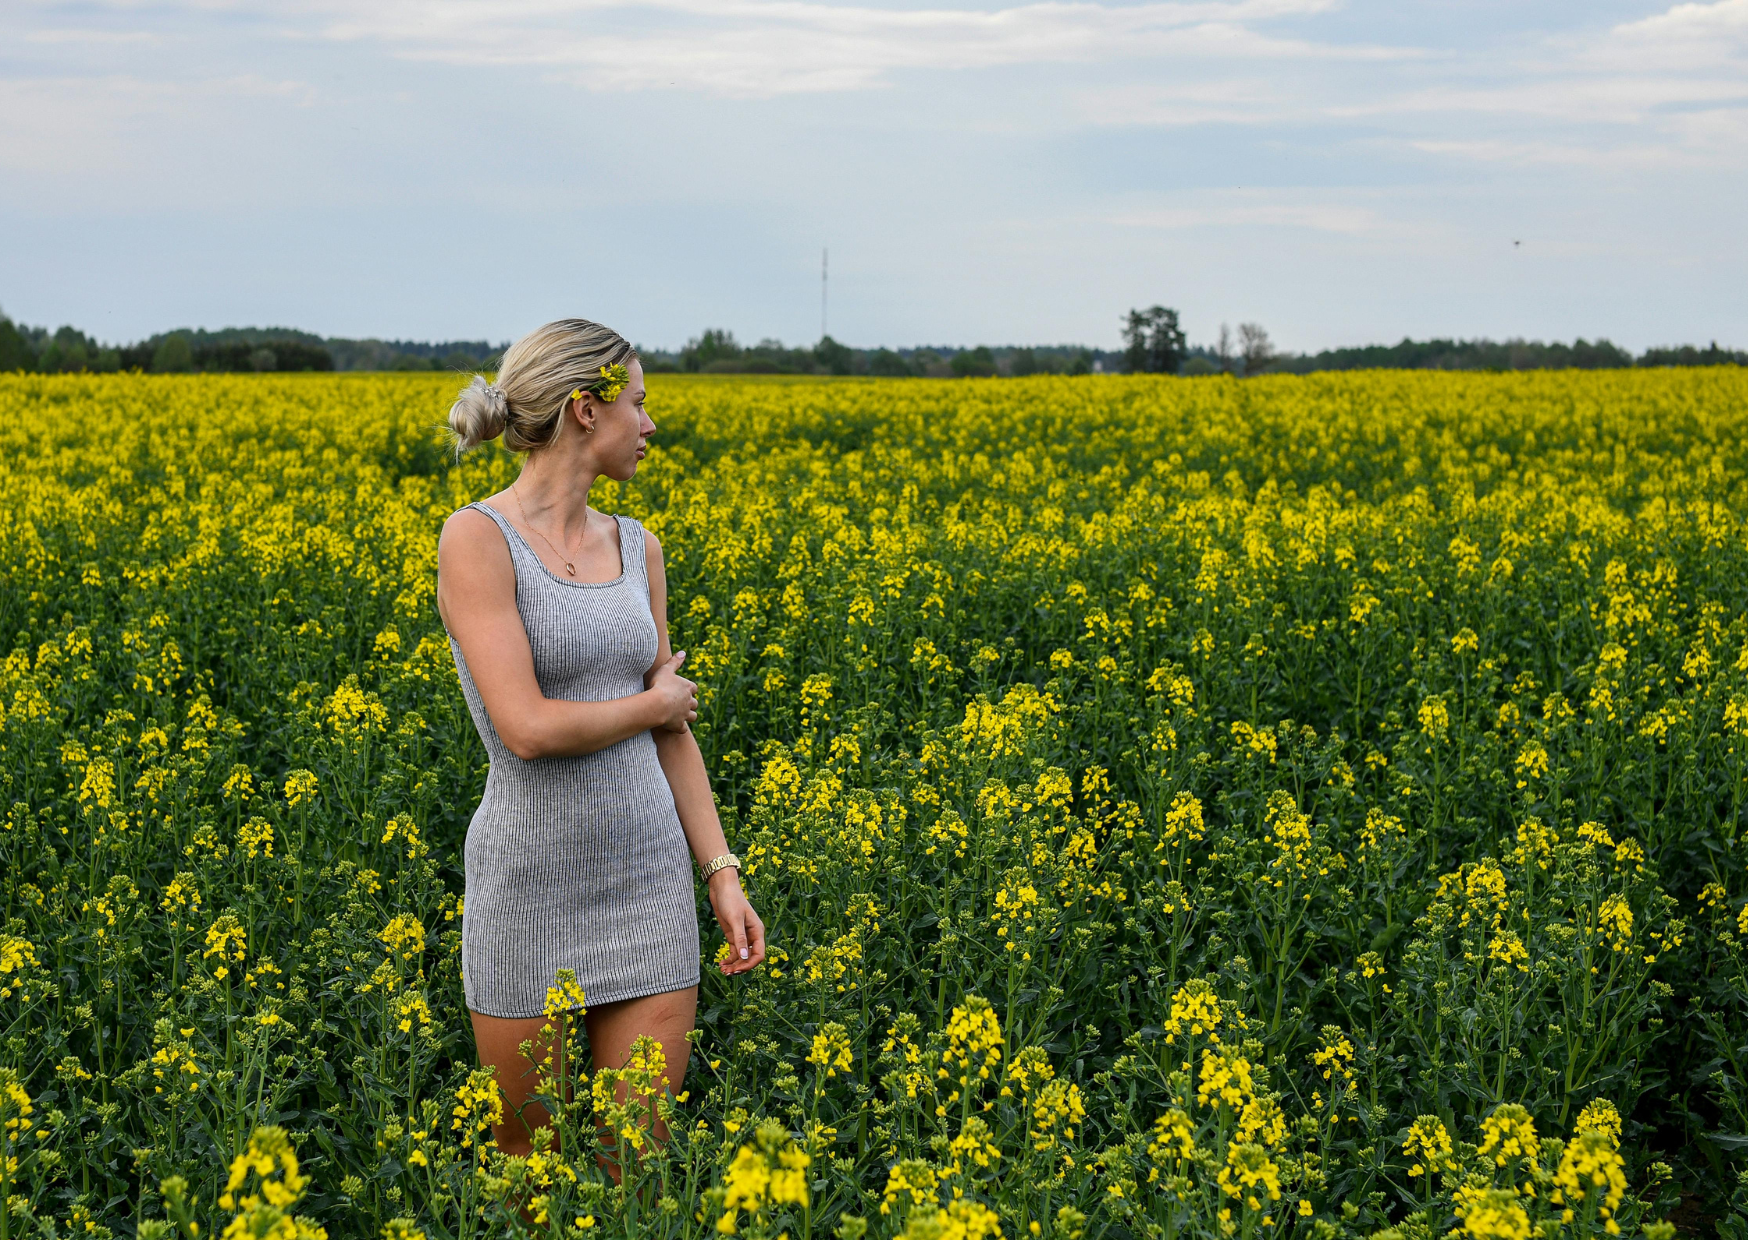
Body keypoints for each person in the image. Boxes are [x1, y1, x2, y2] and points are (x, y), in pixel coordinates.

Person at [436, 317, 766, 1171]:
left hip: (647, 887)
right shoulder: (477, 538)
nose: (652, 424)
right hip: (526, 889)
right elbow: (528, 728)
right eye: (642, 404)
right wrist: (652, 701)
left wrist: (721, 872)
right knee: (524, 1161)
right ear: (587, 409)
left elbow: (673, 732)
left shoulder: (639, 546)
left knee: (639, 1164)